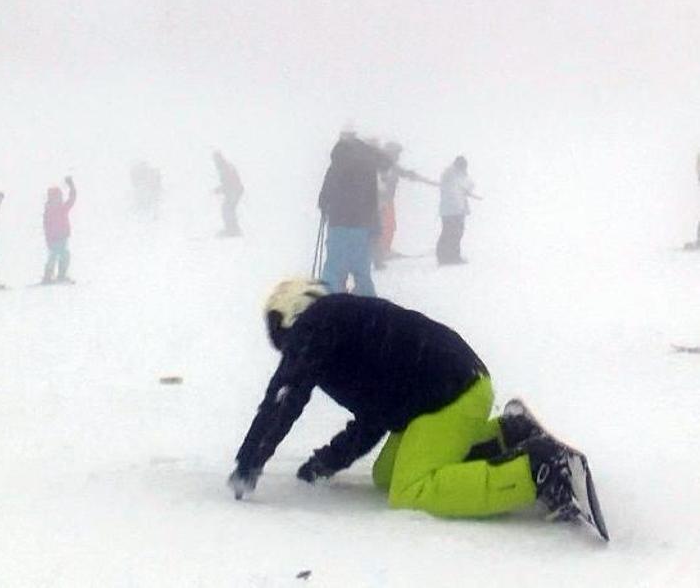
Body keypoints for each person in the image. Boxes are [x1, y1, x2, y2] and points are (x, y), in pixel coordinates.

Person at [228, 279, 606, 538]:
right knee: (386, 475)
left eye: (281, 338)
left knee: (410, 489)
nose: (285, 353)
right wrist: (324, 463)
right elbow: (374, 415)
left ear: (290, 315)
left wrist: (249, 462)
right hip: (449, 388)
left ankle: (536, 470)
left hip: (448, 393)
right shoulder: (339, 331)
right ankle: (504, 436)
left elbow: (284, 395)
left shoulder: (317, 325)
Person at [318, 130, 382, 295]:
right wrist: (375, 225)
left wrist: (325, 206)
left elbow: (324, 197)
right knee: (361, 268)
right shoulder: (367, 168)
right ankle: (367, 300)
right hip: (361, 225)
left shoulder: (335, 167)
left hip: (337, 224)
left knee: (334, 267)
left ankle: (330, 298)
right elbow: (372, 199)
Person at [374, 141, 438, 269]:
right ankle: (382, 251)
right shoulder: (381, 165)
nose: (398, 156)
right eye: (397, 153)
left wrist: (419, 178)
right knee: (385, 226)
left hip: (387, 200)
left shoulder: (392, 165)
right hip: (380, 201)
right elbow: (381, 181)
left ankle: (384, 249)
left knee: (390, 225)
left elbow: (405, 173)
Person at [437, 155, 480, 265]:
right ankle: (450, 257)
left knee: (451, 233)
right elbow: (466, 187)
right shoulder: (454, 175)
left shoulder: (452, 174)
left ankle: (448, 256)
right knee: (453, 234)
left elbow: (468, 186)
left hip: (451, 210)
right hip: (454, 210)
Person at [42, 176, 77, 284]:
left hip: (63, 237)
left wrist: (71, 186)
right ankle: (48, 274)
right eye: (55, 198)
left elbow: (72, 199)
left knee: (65, 255)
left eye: (59, 197)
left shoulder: (63, 208)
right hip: (53, 238)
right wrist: (48, 237)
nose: (58, 200)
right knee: (53, 256)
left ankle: (61, 274)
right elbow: (46, 225)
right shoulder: (49, 211)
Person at [212, 151, 244, 237]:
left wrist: (220, 189)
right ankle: (233, 229)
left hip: (234, 191)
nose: (215, 163)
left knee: (227, 209)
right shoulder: (225, 167)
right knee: (228, 209)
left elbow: (229, 183)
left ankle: (232, 230)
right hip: (234, 190)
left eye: (215, 160)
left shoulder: (225, 168)